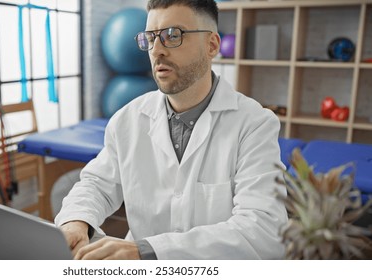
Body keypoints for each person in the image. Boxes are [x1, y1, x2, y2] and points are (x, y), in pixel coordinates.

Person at [55, 0, 288, 260]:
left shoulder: (255, 124)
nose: (156, 50)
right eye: (150, 38)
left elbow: (263, 229)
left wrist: (148, 251)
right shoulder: (127, 119)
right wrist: (77, 220)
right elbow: (97, 184)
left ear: (212, 45)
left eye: (172, 36)